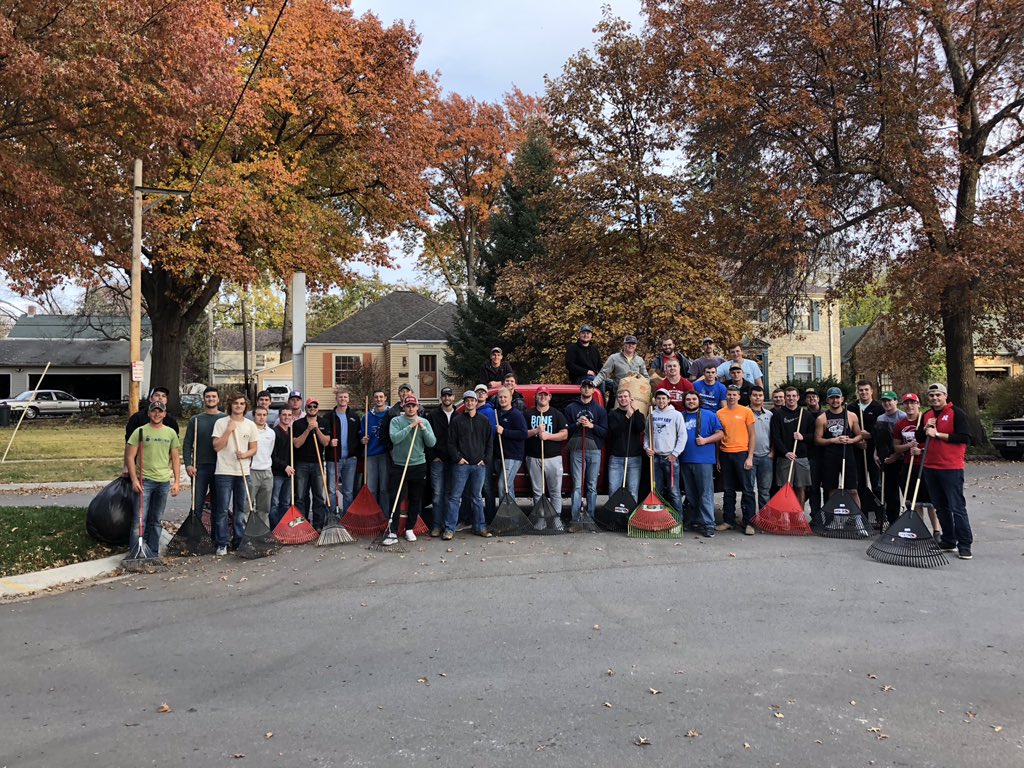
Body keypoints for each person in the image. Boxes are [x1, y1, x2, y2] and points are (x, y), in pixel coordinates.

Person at [918, 383, 973, 560]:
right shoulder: (927, 415)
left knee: (957, 507)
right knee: (940, 507)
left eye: (938, 395)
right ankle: (949, 540)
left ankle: (964, 544)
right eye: (931, 396)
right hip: (930, 467)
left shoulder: (957, 413)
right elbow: (920, 437)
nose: (935, 398)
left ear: (945, 395)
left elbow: (965, 437)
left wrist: (939, 434)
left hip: (951, 468)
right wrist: (926, 429)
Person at [125, 401, 181, 555]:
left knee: (156, 520)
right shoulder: (140, 432)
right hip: (145, 481)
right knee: (139, 520)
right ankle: (135, 553)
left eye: (160, 411)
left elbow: (176, 458)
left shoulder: (170, 433)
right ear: (149, 413)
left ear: (164, 414)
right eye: (154, 411)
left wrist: (176, 482)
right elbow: (130, 457)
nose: (157, 414)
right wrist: (134, 480)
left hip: (163, 482)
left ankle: (152, 553)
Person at [383, 394, 437, 546]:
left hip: (418, 465)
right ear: (403, 407)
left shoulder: (424, 421)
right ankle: (392, 531)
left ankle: (409, 528)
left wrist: (423, 429)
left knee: (415, 498)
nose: (411, 408)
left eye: (413, 406)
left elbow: (432, 442)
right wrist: (410, 427)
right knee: (396, 497)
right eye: (408, 406)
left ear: (417, 407)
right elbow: (394, 438)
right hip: (400, 465)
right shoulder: (396, 421)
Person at [211, 392, 258, 554]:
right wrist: (228, 431)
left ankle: (239, 541)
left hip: (243, 472)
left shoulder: (250, 425)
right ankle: (222, 543)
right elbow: (216, 446)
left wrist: (244, 455)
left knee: (241, 509)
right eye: (236, 403)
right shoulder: (221, 422)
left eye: (242, 403)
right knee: (222, 509)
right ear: (230, 405)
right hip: (224, 471)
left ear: (246, 406)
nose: (239, 406)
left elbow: (254, 449)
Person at [445, 391, 494, 540]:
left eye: (472, 400)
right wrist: (458, 458)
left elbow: (489, 443)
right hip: (461, 466)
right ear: (464, 403)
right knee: (455, 497)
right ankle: (449, 529)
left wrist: (485, 460)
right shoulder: (457, 421)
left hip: (479, 466)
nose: (470, 403)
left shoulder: (484, 421)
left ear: (476, 402)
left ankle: (480, 527)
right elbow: (451, 443)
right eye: (467, 401)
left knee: (477, 498)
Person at [892, 393, 941, 540]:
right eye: (906, 403)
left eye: (913, 403)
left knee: (931, 502)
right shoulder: (900, 424)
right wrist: (908, 446)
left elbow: (937, 444)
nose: (909, 406)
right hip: (909, 465)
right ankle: (920, 531)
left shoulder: (926, 420)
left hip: (926, 465)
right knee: (915, 501)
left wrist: (921, 450)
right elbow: (896, 448)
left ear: (918, 404)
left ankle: (937, 531)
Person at [182, 387, 225, 543]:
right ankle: (194, 538)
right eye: (208, 397)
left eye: (214, 396)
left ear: (218, 399)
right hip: (199, 467)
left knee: (217, 505)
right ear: (204, 399)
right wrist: (188, 465)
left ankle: (214, 539)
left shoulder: (225, 419)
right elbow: (187, 444)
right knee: (197, 505)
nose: (211, 399)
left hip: (220, 468)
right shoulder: (196, 419)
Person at [564, 377, 608, 527]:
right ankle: (575, 518)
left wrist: (591, 426)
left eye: (590, 387)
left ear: (593, 390)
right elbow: (565, 430)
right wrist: (576, 424)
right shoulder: (571, 408)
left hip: (594, 449)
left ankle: (590, 516)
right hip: (576, 448)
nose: (587, 389)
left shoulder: (599, 410)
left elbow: (604, 432)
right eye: (584, 386)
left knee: (591, 485)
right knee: (577, 485)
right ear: (580, 388)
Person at [680, 391, 724, 537]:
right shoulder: (681, 416)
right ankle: (695, 520)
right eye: (688, 399)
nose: (691, 401)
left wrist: (705, 440)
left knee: (705, 493)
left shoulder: (710, 415)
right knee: (691, 494)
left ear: (699, 400)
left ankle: (708, 523)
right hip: (685, 460)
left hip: (703, 460)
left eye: (694, 399)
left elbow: (720, 434)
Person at [716, 384, 757, 534]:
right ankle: (729, 520)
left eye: (734, 395)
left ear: (739, 396)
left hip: (742, 454)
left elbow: (752, 435)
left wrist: (750, 456)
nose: (732, 397)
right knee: (728, 490)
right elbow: (718, 438)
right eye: (729, 395)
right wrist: (718, 459)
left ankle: (749, 523)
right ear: (726, 396)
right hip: (725, 454)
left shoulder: (746, 411)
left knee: (747, 490)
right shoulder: (720, 413)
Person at [814, 387, 862, 515]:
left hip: (848, 455)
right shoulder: (822, 418)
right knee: (832, 489)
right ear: (827, 400)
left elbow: (859, 435)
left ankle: (857, 519)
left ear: (842, 399)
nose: (835, 400)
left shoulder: (851, 416)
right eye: (832, 398)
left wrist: (852, 441)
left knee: (852, 490)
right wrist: (832, 441)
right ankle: (832, 517)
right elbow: (817, 440)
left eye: (837, 397)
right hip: (831, 457)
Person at [525, 386, 568, 525]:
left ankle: (556, 521)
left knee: (555, 491)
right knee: (538, 492)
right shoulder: (528, 414)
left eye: (545, 395)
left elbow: (564, 434)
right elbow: (523, 434)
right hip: (533, 458)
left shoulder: (556, 414)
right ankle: (541, 520)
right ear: (536, 397)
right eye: (540, 395)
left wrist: (548, 436)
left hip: (553, 458)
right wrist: (535, 431)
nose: (542, 397)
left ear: (549, 397)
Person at [644, 388, 686, 515]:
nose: (661, 401)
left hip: (670, 458)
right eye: (658, 398)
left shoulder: (676, 415)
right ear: (655, 400)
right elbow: (647, 435)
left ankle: (678, 520)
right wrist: (647, 448)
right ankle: (659, 519)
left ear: (668, 400)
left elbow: (682, 436)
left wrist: (675, 453)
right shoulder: (651, 415)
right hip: (655, 458)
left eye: (663, 398)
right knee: (656, 490)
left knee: (673, 491)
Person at [769, 387, 812, 508]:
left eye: (794, 396)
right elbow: (775, 437)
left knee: (801, 487)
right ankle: (786, 517)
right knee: (785, 488)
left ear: (798, 397)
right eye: (788, 396)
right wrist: (785, 452)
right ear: (785, 398)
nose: (791, 398)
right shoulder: (778, 415)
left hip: (801, 457)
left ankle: (799, 517)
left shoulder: (806, 414)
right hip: (784, 457)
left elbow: (813, 436)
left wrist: (803, 437)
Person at [849, 380, 884, 526]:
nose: (863, 392)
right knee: (859, 483)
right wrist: (857, 440)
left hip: (874, 451)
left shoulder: (879, 408)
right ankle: (860, 515)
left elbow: (883, 430)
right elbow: (847, 428)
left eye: (866, 390)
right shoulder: (852, 407)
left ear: (871, 391)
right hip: (858, 451)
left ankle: (879, 515)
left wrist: (870, 435)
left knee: (876, 484)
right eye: (861, 390)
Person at [292, 396, 330, 529]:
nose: (312, 409)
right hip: (301, 464)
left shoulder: (324, 422)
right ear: (306, 408)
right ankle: (303, 525)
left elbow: (326, 442)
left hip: (318, 464)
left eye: (315, 406)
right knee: (301, 497)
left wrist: (317, 429)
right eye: (310, 406)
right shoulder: (298, 424)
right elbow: (296, 444)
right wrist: (308, 430)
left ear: (318, 409)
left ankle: (318, 525)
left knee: (319, 496)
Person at [326, 386, 362, 515]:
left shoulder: (354, 416)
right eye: (340, 397)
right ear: (336, 399)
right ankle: (331, 515)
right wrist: (329, 442)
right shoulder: (329, 416)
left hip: (350, 459)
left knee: (348, 491)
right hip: (333, 458)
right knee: (331, 490)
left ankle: (346, 516)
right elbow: (325, 435)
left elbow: (358, 435)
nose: (343, 399)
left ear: (348, 399)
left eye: (345, 397)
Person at [426, 387, 457, 536]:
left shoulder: (459, 415)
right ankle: (437, 525)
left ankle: (448, 526)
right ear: (441, 398)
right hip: (437, 460)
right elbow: (426, 437)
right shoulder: (433, 415)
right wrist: (432, 456)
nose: (447, 398)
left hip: (454, 461)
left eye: (449, 395)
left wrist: (458, 457)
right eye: (444, 396)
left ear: (453, 397)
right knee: (437, 495)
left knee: (449, 495)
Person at [873, 391, 905, 528]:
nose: (887, 403)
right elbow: (879, 439)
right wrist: (875, 453)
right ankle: (893, 522)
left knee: (904, 490)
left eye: (890, 400)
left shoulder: (902, 417)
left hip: (901, 458)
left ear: (896, 401)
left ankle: (908, 520)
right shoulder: (880, 418)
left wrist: (895, 456)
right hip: (885, 459)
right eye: (884, 401)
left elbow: (903, 440)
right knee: (889, 492)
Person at [606, 389, 645, 501]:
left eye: (625, 396)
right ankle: (614, 517)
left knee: (633, 491)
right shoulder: (612, 414)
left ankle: (630, 517)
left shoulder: (638, 414)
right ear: (617, 399)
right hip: (616, 458)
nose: (623, 399)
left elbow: (641, 427)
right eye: (620, 397)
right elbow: (615, 431)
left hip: (634, 458)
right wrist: (627, 417)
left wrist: (636, 410)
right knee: (614, 490)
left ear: (630, 398)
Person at [494, 387, 528, 500]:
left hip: (512, 456)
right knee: (509, 486)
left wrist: (504, 432)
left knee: (503, 486)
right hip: (500, 456)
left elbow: (523, 434)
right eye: (500, 397)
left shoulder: (516, 414)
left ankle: (507, 514)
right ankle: (512, 516)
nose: (502, 399)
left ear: (510, 398)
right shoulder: (497, 414)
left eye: (505, 397)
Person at [362, 389, 392, 515]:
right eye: (376, 397)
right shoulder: (367, 417)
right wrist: (362, 439)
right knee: (372, 488)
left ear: (385, 398)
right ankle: (373, 516)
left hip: (385, 454)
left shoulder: (391, 415)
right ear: (373, 399)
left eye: (381, 397)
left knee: (385, 488)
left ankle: (385, 516)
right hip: (371, 455)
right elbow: (361, 434)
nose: (379, 399)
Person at [248, 405, 276, 528]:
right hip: (252, 471)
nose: (261, 417)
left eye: (264, 415)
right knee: (246, 506)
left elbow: (270, 451)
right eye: (259, 415)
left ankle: (263, 533)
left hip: (267, 472)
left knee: (264, 508)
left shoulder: (271, 433)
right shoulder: (249, 431)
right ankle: (245, 533)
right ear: (254, 416)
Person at [269, 407, 296, 528]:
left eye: (289, 415)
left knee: (286, 503)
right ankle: (275, 527)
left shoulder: (292, 433)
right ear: (279, 416)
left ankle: (284, 528)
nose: (287, 417)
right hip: (277, 473)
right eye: (284, 415)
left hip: (289, 473)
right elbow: (272, 456)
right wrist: (284, 466)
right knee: (274, 502)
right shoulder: (274, 432)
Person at [749, 386, 774, 508]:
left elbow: (775, 435)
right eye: (755, 395)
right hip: (749, 457)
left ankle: (764, 519)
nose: (757, 398)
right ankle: (749, 520)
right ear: (750, 397)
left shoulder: (770, 414)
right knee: (748, 490)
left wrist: (772, 452)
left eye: (760, 395)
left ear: (763, 397)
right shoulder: (745, 412)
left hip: (766, 457)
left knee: (764, 491)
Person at [802, 388, 824, 519]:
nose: (811, 399)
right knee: (811, 487)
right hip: (809, 455)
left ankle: (825, 515)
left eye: (814, 396)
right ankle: (814, 515)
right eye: (809, 397)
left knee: (825, 487)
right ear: (805, 400)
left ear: (818, 399)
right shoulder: (803, 415)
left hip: (825, 455)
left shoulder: (825, 415)